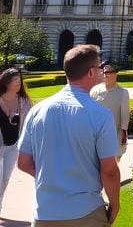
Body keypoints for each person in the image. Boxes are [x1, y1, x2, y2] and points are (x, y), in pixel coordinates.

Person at [17, 44, 120, 226]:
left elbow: (23, 163)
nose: (102, 72)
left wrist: (53, 180)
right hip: (85, 210)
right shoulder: (100, 114)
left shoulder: (37, 111)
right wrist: (115, 204)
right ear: (90, 73)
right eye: (99, 68)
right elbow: (109, 171)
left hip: (45, 212)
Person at [0, 67, 32, 209]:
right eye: (15, 81)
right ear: (6, 82)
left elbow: (31, 122)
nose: (18, 83)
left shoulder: (23, 102)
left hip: (13, 147)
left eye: (19, 81)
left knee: (5, 179)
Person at [90, 62, 130, 161]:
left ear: (116, 74)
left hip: (114, 133)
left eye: (109, 72)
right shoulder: (95, 90)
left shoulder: (122, 93)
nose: (106, 75)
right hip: (96, 133)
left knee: (114, 160)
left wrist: (124, 133)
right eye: (104, 72)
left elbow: (125, 114)